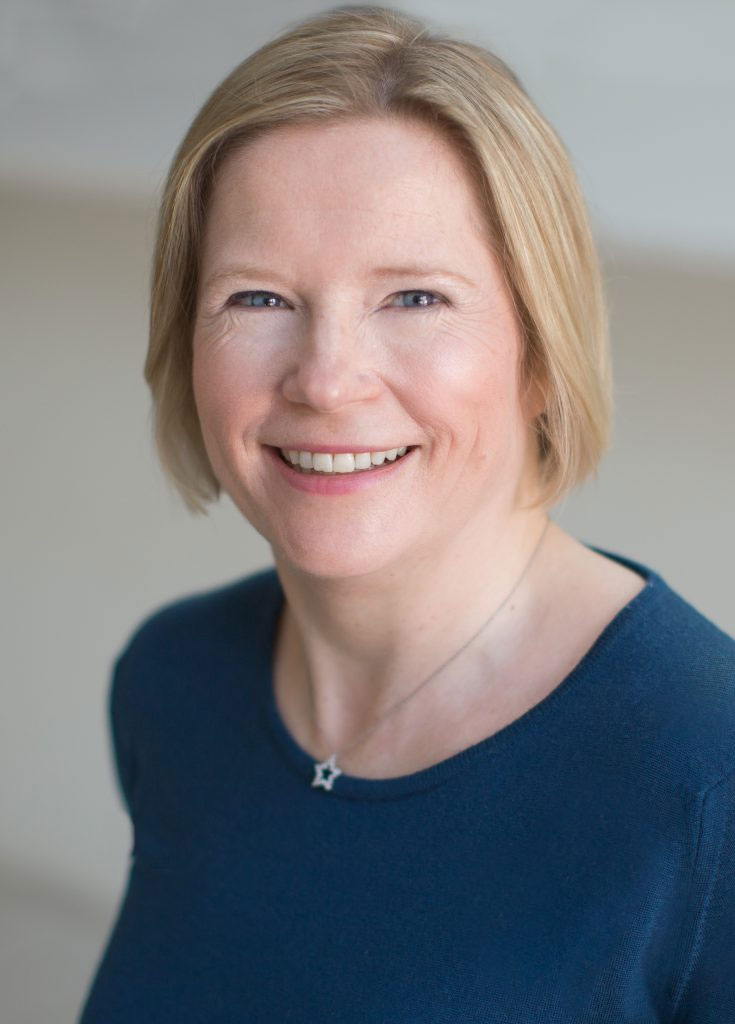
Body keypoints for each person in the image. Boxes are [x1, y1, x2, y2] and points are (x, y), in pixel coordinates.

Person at [78, 6, 735, 1022]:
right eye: (258, 298)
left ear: (539, 353)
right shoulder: (172, 686)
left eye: (415, 297)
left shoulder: (706, 774)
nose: (328, 379)